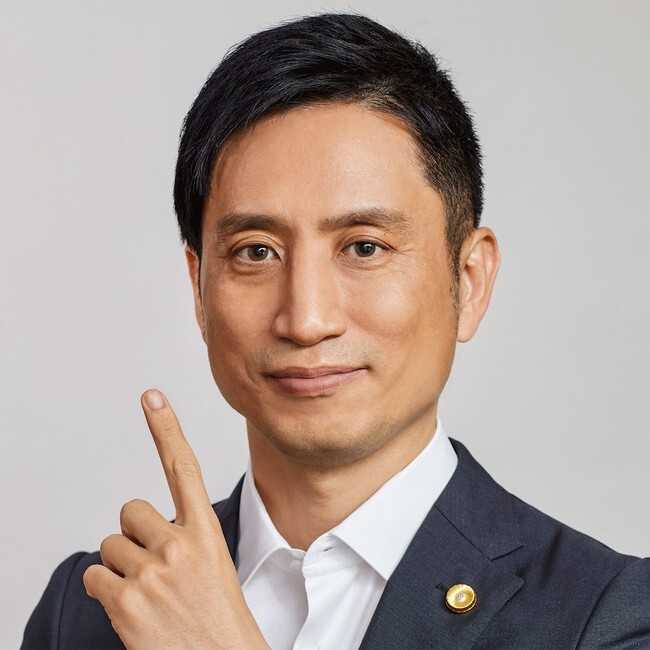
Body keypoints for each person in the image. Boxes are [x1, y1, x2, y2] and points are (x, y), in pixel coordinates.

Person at [22, 12, 649, 649]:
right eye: (256, 252)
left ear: (469, 280)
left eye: (365, 247)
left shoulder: (609, 616)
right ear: (199, 288)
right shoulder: (87, 611)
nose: (307, 320)